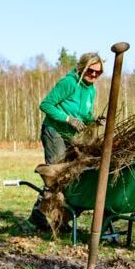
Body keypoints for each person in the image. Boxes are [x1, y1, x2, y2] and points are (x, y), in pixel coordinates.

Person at [28, 52, 102, 228]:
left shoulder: (91, 90)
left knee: (75, 174)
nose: (93, 75)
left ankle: (61, 218)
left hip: (71, 136)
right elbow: (45, 105)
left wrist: (94, 120)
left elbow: (84, 114)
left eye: (98, 73)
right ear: (82, 68)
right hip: (54, 132)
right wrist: (68, 119)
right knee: (57, 174)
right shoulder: (68, 83)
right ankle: (39, 214)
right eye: (91, 71)